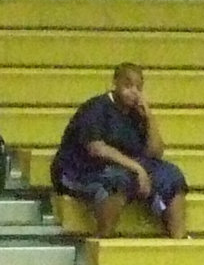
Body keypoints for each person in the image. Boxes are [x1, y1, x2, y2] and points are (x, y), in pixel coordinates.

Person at [50, 62, 188, 238]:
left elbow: (155, 153)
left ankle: (179, 240)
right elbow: (97, 148)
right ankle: (103, 238)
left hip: (120, 168)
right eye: (128, 85)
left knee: (171, 174)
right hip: (78, 171)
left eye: (138, 87)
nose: (133, 92)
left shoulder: (137, 113)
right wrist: (137, 168)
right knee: (118, 179)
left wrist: (150, 117)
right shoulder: (96, 108)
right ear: (115, 83)